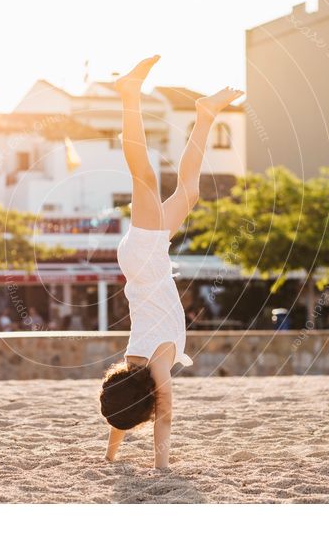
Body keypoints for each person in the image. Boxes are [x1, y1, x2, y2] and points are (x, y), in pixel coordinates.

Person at [99, 56, 242, 469]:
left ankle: (129, 94)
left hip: (145, 258)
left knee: (143, 175)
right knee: (190, 192)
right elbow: (122, 416)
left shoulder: (156, 365)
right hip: (147, 257)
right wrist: (110, 455)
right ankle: (205, 114)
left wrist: (161, 466)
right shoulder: (133, 363)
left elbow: (165, 416)